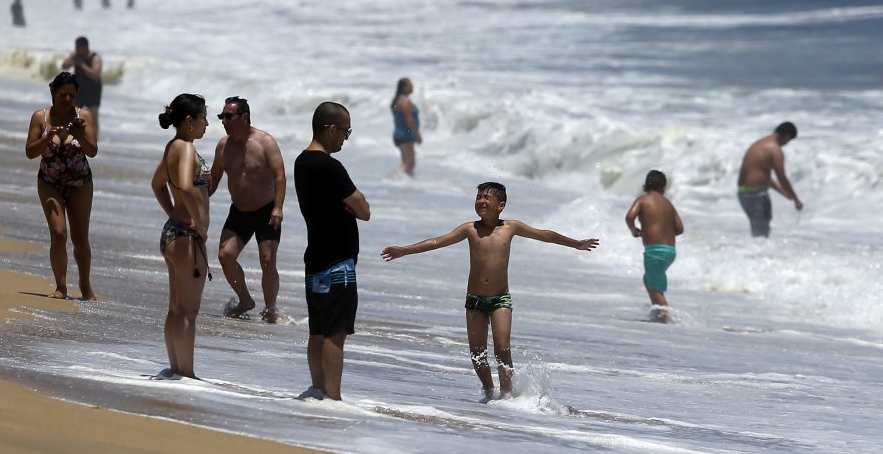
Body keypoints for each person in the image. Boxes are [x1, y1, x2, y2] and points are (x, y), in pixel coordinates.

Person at [381, 182, 599, 400]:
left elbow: (545, 235)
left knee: (502, 348)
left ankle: (507, 396)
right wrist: (404, 250)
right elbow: (437, 241)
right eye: (478, 197)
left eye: (486, 198)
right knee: (477, 354)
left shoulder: (511, 227)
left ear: (501, 205)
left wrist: (576, 244)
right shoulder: (469, 229)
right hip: (474, 300)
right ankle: (488, 391)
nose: (481, 201)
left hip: (500, 300)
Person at [294, 102, 370, 401]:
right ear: (331, 129)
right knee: (335, 335)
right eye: (345, 132)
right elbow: (363, 209)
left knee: (317, 331)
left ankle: (318, 388)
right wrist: (350, 204)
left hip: (315, 257)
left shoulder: (301, 162)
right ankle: (333, 398)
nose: (345, 139)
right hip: (337, 261)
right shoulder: (329, 165)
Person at [150, 94, 212, 379]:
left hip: (173, 233)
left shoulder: (171, 147)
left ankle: (176, 368)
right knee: (188, 311)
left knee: (176, 308)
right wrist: (199, 224)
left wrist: (172, 213)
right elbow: (186, 187)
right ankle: (186, 373)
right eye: (203, 118)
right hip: (186, 236)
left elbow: (158, 183)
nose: (207, 124)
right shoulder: (186, 148)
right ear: (189, 121)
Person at [208, 96, 287, 321]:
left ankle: (270, 309)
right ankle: (245, 300)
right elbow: (214, 178)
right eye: (221, 117)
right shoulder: (223, 145)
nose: (223, 121)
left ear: (244, 117)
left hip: (266, 210)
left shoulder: (265, 142)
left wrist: (278, 208)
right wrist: (198, 198)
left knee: (267, 259)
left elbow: (280, 177)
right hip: (240, 211)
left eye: (228, 116)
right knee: (225, 255)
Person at [25, 72, 99, 300]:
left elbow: (92, 151)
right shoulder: (41, 117)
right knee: (58, 233)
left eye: (72, 95)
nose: (67, 99)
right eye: (62, 95)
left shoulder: (83, 116)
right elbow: (30, 152)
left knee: (79, 238)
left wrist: (80, 135)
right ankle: (61, 287)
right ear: (53, 94)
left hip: (80, 184)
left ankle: (85, 286)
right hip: (49, 182)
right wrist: (47, 139)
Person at [624, 170, 684, 323]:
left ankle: (663, 318)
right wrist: (665, 234)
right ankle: (657, 312)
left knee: (654, 285)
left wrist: (634, 230)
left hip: (654, 251)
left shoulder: (643, 200)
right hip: (670, 252)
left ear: (644, 186)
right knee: (650, 280)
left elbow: (630, 216)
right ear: (663, 188)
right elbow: (680, 229)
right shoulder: (668, 204)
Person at [737, 122, 804, 237]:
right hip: (755, 194)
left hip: (745, 192)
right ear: (786, 136)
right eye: (788, 141)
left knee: (761, 227)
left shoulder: (760, 144)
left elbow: (762, 175)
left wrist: (784, 193)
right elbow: (782, 177)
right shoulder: (775, 150)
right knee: (761, 233)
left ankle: (756, 253)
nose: (786, 144)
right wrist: (795, 199)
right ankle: (756, 254)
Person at [61, 36, 102, 138]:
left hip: (93, 91)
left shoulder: (95, 58)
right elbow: (64, 66)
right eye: (76, 48)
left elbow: (95, 74)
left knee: (93, 117)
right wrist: (71, 60)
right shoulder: (76, 56)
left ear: (85, 47)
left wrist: (81, 64)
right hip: (79, 89)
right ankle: (72, 139)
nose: (77, 50)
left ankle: (94, 141)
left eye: (79, 48)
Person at [391, 77, 422, 176]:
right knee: (409, 163)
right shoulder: (405, 101)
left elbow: (396, 120)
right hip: (406, 134)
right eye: (410, 84)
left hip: (399, 133)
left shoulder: (396, 100)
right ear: (404, 88)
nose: (412, 86)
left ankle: (405, 185)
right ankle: (394, 177)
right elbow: (409, 121)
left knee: (406, 162)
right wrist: (418, 135)